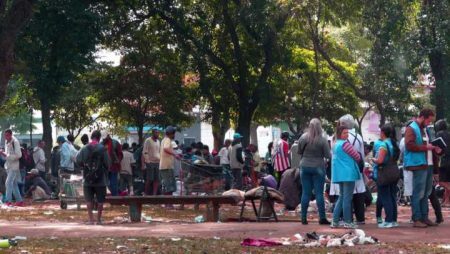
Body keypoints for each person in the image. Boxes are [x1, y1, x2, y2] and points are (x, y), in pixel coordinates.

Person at [404, 108, 440, 228]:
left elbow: (429, 145)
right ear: (423, 117)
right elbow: (409, 145)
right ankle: (417, 218)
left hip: (428, 164)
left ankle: (424, 217)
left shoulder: (425, 130)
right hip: (418, 164)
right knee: (418, 192)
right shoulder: (411, 128)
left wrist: (435, 148)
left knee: (426, 193)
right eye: (429, 121)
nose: (429, 123)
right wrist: (426, 147)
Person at [298, 118, 331, 225]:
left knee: (305, 193)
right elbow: (327, 155)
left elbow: (299, 151)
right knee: (318, 193)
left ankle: (303, 218)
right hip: (318, 167)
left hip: (304, 166)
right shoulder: (322, 139)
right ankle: (322, 218)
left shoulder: (303, 137)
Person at [76, 130, 110, 225]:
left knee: (88, 200)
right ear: (99, 138)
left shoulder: (84, 148)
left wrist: (84, 166)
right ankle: (99, 220)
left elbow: (77, 160)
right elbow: (107, 164)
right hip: (100, 179)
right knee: (100, 200)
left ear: (91, 137)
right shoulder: (103, 148)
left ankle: (91, 220)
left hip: (87, 178)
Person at [331, 126, 362, 229]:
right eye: (345, 133)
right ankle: (348, 221)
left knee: (341, 197)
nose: (347, 135)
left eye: (347, 133)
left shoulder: (335, 145)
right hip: (348, 174)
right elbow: (357, 156)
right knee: (347, 198)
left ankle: (335, 221)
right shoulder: (345, 144)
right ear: (340, 134)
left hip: (339, 174)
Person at [371, 124, 400, 228]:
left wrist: (373, 159)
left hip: (385, 173)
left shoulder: (384, 145)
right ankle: (394, 220)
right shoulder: (394, 143)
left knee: (385, 196)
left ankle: (388, 220)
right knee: (392, 196)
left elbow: (380, 160)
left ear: (383, 133)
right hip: (394, 171)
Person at [1, 129, 23, 206]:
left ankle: (8, 201)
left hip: (14, 166)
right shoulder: (6, 141)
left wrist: (6, 155)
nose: (6, 137)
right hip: (8, 165)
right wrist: (3, 153)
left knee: (8, 182)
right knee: (13, 184)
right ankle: (19, 200)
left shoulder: (15, 142)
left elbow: (19, 155)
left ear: (11, 134)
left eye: (7, 135)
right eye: (5, 135)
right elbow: (7, 154)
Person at [159, 126, 180, 201]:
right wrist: (175, 154)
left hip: (164, 166)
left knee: (167, 185)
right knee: (169, 186)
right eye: (174, 133)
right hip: (167, 166)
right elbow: (166, 148)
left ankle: (166, 203)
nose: (175, 135)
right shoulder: (168, 140)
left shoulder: (164, 140)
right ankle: (168, 204)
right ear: (171, 134)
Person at [435, 119, 450, 207]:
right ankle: (446, 201)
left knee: (441, 182)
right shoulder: (449, 134)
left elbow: (438, 149)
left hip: (444, 160)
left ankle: (446, 201)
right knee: (448, 181)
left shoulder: (439, 134)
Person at [142, 127, 160, 195]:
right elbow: (144, 152)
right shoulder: (148, 140)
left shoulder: (158, 141)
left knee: (157, 179)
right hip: (150, 162)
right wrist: (147, 161)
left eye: (158, 133)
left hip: (157, 162)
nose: (157, 134)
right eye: (156, 133)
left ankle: (154, 194)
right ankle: (145, 193)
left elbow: (158, 151)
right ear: (153, 133)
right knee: (150, 179)